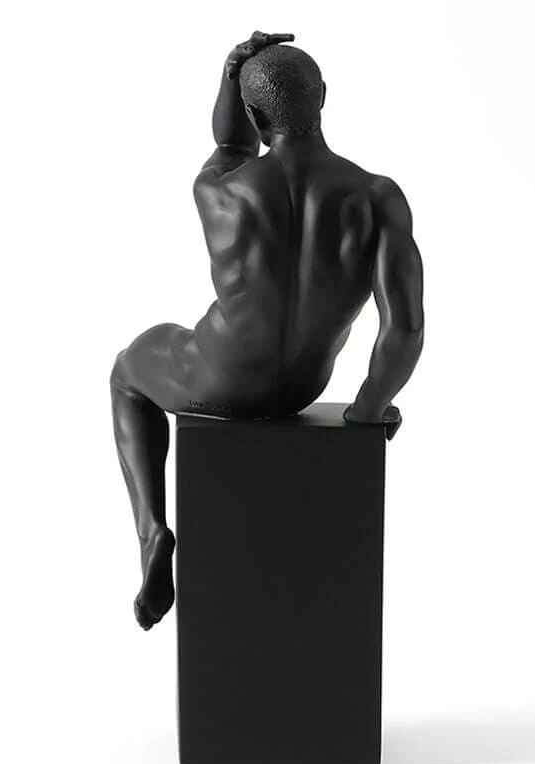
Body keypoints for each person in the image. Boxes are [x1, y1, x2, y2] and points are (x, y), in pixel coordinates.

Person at [111, 32, 424, 630]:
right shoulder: (377, 197)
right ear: (323, 96)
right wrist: (368, 409)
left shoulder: (220, 189)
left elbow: (228, 142)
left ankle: (152, 531)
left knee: (128, 370)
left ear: (255, 117)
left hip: (219, 380)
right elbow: (404, 327)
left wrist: (232, 71)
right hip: (303, 386)